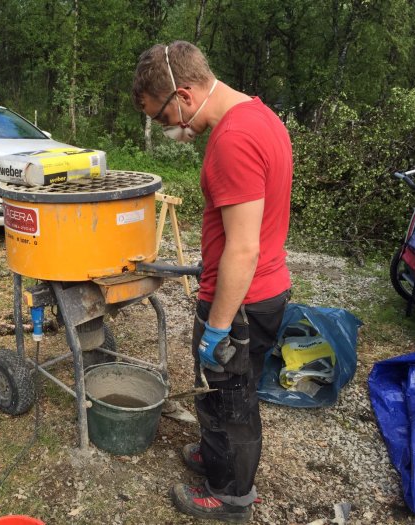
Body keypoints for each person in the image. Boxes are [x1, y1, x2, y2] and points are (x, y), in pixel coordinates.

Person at [132, 41, 293, 523]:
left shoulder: (233, 140)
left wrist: (220, 324)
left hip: (243, 300)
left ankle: (231, 497)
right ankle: (214, 456)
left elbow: (244, 249)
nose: (167, 128)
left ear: (182, 94)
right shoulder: (259, 115)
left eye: (162, 117)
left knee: (234, 398)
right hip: (256, 291)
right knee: (217, 389)